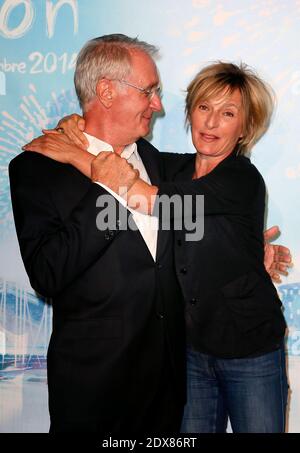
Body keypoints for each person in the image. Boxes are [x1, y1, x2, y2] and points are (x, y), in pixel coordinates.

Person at [24, 60, 291, 433]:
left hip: (250, 349)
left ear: (245, 126)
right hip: (190, 353)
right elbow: (123, 164)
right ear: (190, 113)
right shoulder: (171, 169)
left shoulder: (240, 178)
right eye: (204, 108)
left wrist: (73, 153)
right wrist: (77, 127)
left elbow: (147, 199)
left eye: (227, 113)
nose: (211, 123)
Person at [9, 34, 186, 434]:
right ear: (106, 91)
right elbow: (48, 273)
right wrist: (107, 186)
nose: (158, 104)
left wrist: (247, 245)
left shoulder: (163, 166)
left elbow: (197, 218)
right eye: (150, 91)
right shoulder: (37, 169)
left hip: (168, 392)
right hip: (94, 391)